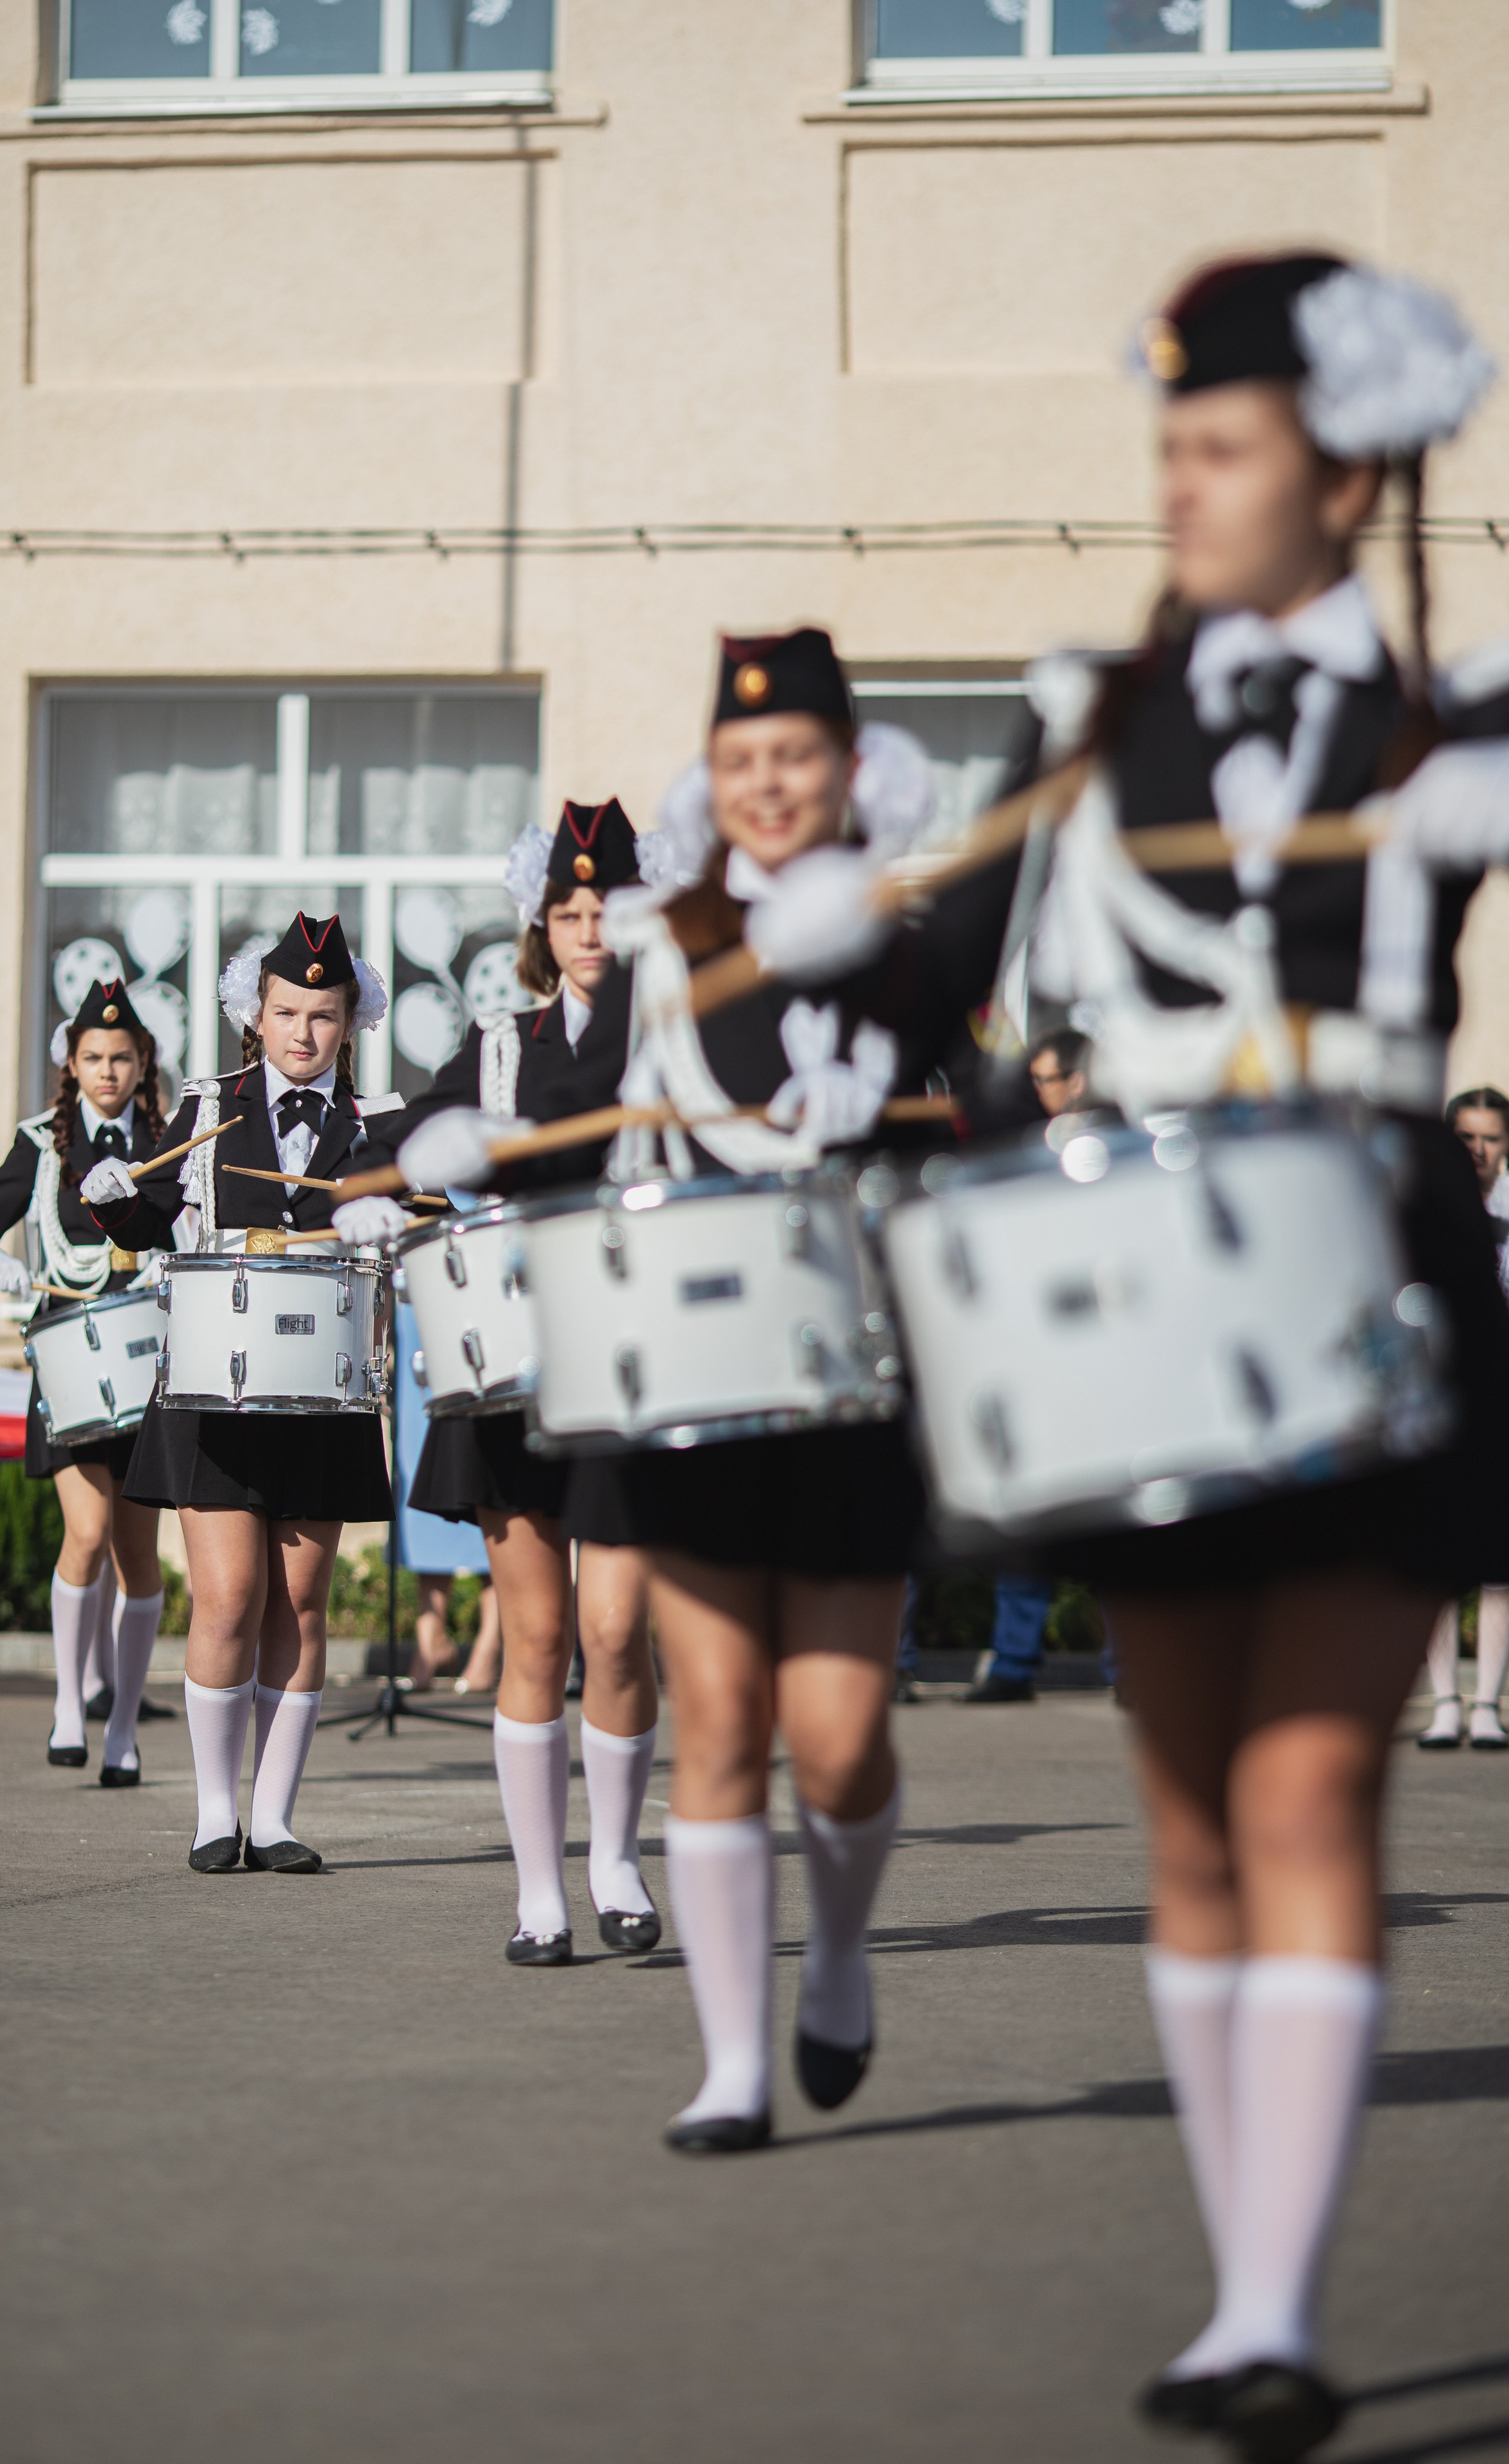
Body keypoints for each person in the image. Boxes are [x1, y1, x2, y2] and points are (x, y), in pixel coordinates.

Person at [749, 257, 1509, 2452]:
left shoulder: (1461, 709)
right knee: (1192, 1813)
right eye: (1169, 448)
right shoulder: (1095, 706)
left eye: (1224, 449)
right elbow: (949, 969)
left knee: (1311, 1787)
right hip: (1153, 1299)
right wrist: (820, 946)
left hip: (1376, 1268)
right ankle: (1236, 2277)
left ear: (1347, 474)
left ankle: (1275, 2315)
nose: (1179, 487)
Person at [571, 627, 940, 2153]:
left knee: (838, 1740)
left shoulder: (901, 941)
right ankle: (730, 2065)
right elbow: (576, 1114)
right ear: (709, 779)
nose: (766, 784)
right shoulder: (662, 943)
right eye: (739, 761)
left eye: (792, 755)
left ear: (845, 768)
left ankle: (838, 1952)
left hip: (853, 1382)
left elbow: (985, 1123)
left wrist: (896, 1106)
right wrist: (461, 1148)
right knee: (717, 1719)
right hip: (699, 1377)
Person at [337, 803, 663, 1964]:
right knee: (537, 1637)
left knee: (616, 1633)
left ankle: (616, 1861)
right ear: (542, 926)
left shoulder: (674, 1036)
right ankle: (539, 1893)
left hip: (633, 1369)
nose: (591, 933)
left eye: (609, 913)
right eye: (570, 914)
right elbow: (397, 1142)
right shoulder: (498, 1045)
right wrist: (373, 1192)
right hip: (514, 1371)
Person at [81, 914, 394, 1874]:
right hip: (215, 1388)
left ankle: (277, 1817)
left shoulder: (377, 1123)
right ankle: (215, 1814)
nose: (304, 1032)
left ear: (350, 1023)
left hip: (325, 1394)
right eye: (287, 1012)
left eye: (324, 1015)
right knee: (225, 1599)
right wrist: (111, 1201)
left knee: (301, 1601)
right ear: (254, 1014)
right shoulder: (208, 1107)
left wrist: (398, 1217)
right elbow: (151, 1216)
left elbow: (425, 1227)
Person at [0, 979, 168, 1782]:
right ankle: (70, 1704)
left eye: (122, 1058)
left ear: (143, 1063)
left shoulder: (169, 1142)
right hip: (71, 1365)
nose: (108, 1072)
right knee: (87, 1533)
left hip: (150, 1366)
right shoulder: (41, 1144)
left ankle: (124, 1728)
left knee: (140, 1555)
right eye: (93, 1058)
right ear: (71, 1064)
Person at [965, 1031, 1097, 1706]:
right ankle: (1013, 1661)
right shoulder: (1022, 1150)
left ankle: (1131, 1665)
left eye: (1043, 1080)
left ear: (1078, 1081)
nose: (1035, 1093)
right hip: (1037, 1347)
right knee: (1025, 1512)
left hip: (1100, 1349)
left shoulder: (1109, 1148)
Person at [1419, 1088, 1509, 1749]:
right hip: (1435, 1398)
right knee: (1436, 1555)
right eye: (1466, 1137)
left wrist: (1498, 1365)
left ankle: (1487, 1704)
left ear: (1508, 1141)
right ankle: (1444, 1703)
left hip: (1508, 1394)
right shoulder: (1424, 1203)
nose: (1479, 1150)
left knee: (1500, 1555)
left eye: (1490, 1138)